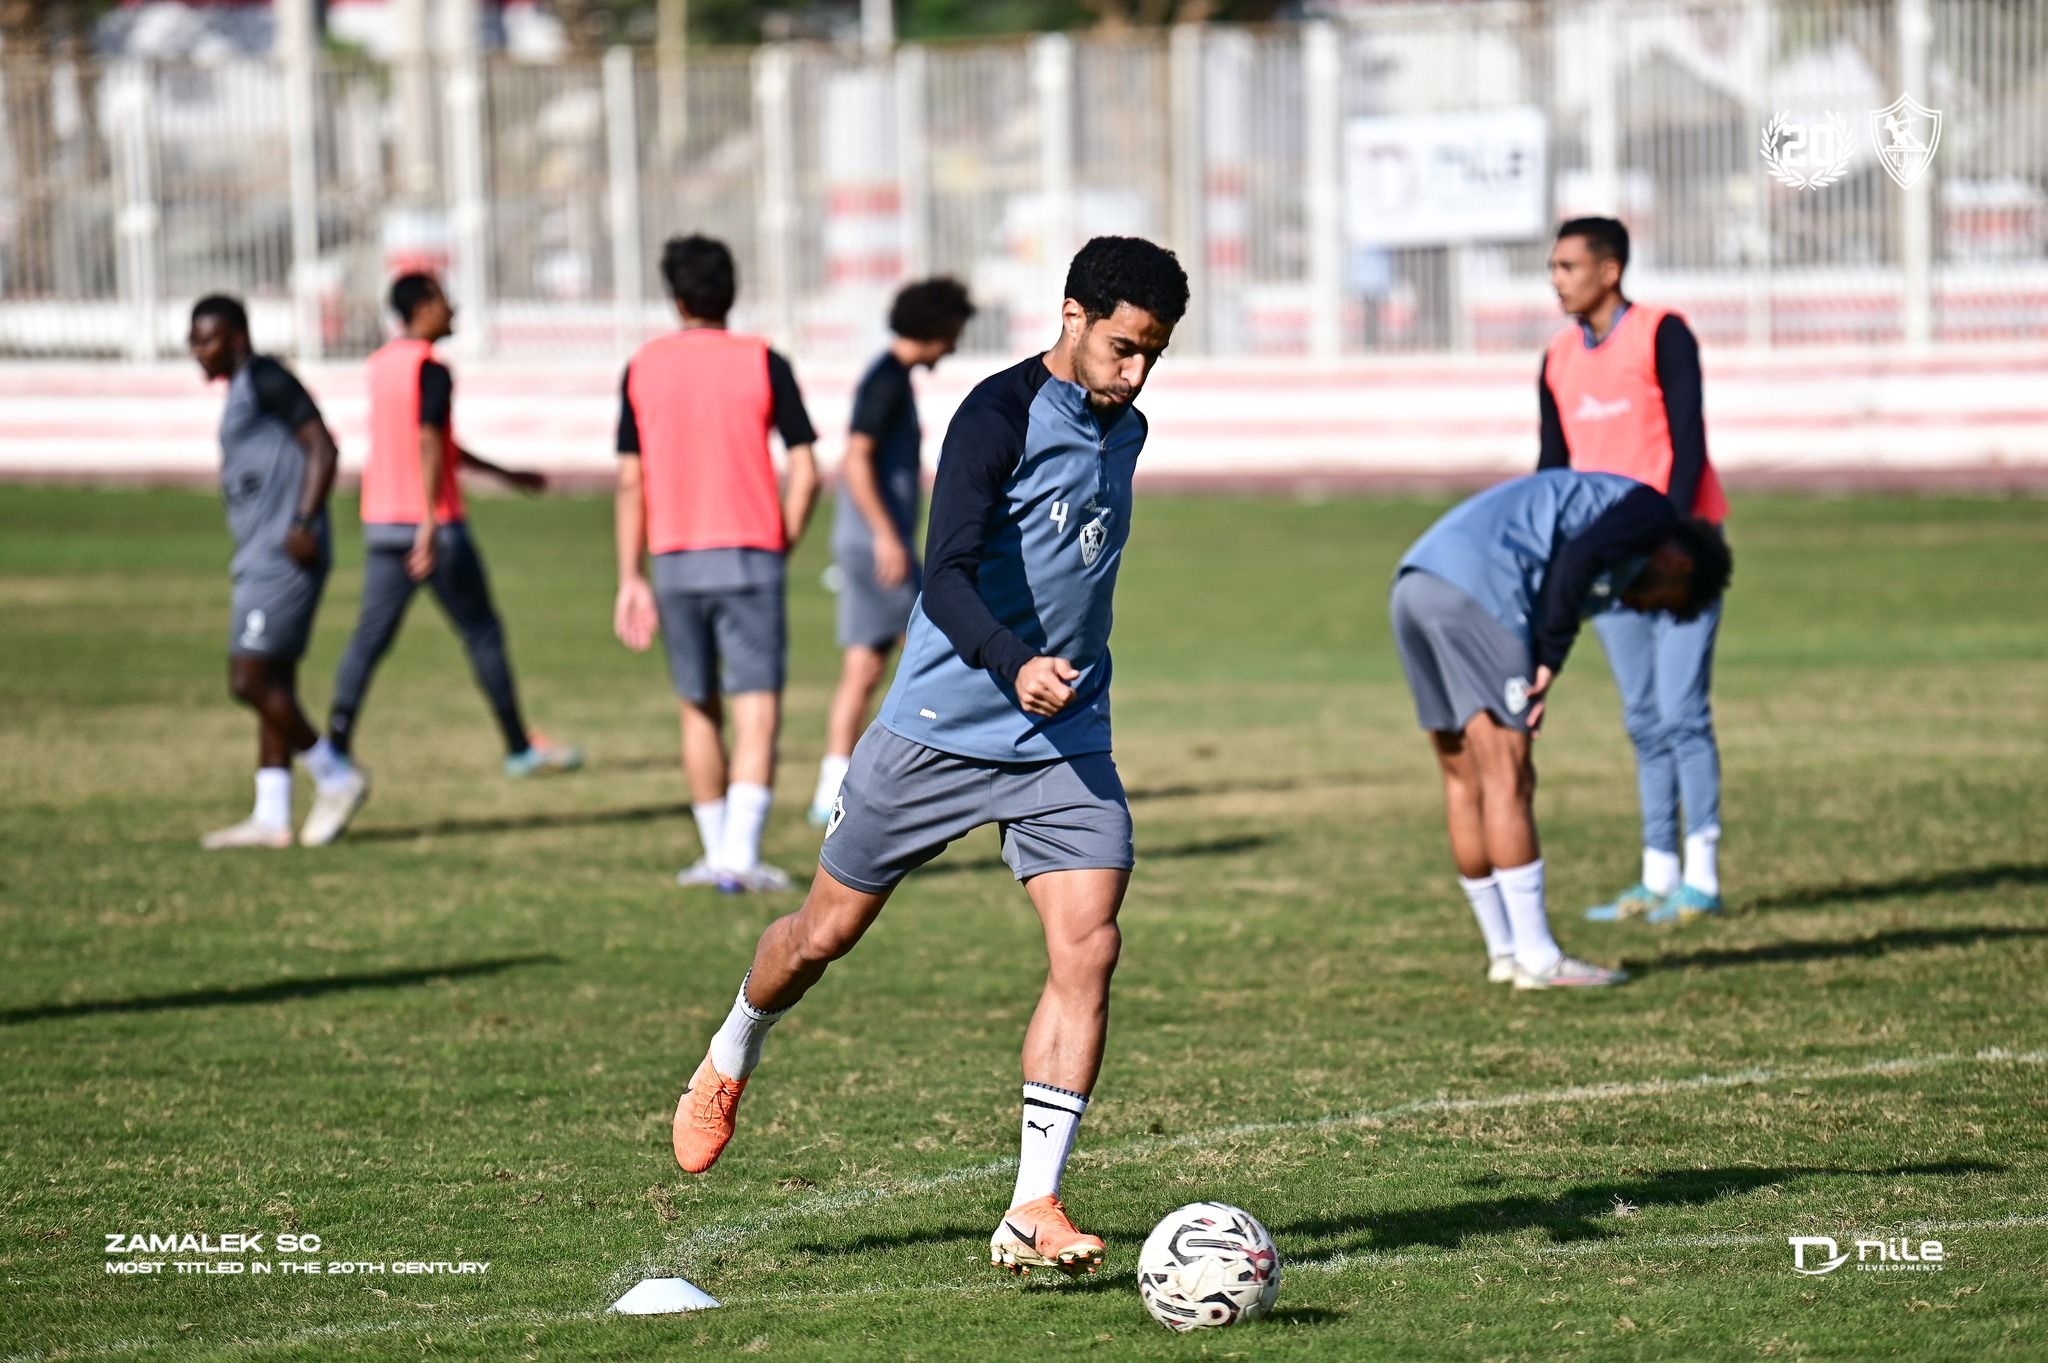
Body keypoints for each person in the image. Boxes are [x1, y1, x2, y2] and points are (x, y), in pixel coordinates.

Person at [667, 237, 1189, 1282]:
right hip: (941, 728)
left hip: (1064, 737)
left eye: (1153, 358)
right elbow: (942, 572)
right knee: (822, 933)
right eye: (1124, 348)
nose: (1134, 376)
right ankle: (733, 1044)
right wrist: (1011, 661)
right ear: (1072, 315)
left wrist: (1054, 678)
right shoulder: (995, 416)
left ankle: (1031, 1202)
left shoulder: (1122, 425)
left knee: (1088, 945)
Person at [1390, 471, 1732, 988]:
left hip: (1415, 583)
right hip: (1479, 591)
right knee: (1510, 778)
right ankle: (1540, 958)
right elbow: (1577, 560)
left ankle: (1504, 952)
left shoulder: (1600, 514)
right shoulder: (1653, 513)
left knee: (1464, 781)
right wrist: (1547, 659)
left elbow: (1568, 558)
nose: (1643, 608)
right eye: (1665, 602)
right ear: (1677, 562)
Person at [317, 274, 579, 844]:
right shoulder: (430, 368)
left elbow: (431, 441)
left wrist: (506, 475)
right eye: (443, 300)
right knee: (483, 632)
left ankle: (334, 745)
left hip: (382, 522)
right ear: (423, 308)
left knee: (369, 638)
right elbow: (429, 440)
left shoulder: (383, 365)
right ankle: (516, 746)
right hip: (431, 529)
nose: (453, 307)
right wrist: (431, 523)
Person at [613, 235, 821, 893]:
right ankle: (740, 852)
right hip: (751, 550)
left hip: (674, 554)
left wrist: (630, 577)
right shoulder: (764, 360)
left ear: (674, 297)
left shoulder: (642, 366)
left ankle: (713, 853)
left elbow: (629, 479)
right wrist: (780, 539)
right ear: (732, 292)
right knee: (757, 706)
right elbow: (807, 469)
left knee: (696, 704)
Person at [1540, 217, 1730, 924]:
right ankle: (1657, 873)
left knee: (1684, 711)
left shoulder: (1662, 333)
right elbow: (1552, 473)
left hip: (1677, 559)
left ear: (1609, 269)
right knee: (1645, 717)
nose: (1556, 279)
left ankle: (1703, 877)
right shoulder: (1557, 357)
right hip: (1607, 568)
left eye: (1567, 266)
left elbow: (1688, 442)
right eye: (1553, 267)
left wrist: (1669, 541)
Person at [188, 295, 366, 849]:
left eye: (208, 338)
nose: (199, 350)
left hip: (283, 557)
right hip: (260, 554)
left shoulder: (266, 378)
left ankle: (336, 775)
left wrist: (304, 521)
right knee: (276, 683)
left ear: (238, 337)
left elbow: (323, 446)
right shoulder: (243, 390)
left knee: (249, 680)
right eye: (193, 339)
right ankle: (271, 815)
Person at [806, 277, 977, 826]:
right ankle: (939, 776)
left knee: (867, 664)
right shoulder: (885, 380)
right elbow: (854, 458)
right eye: (954, 332)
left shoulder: (891, 377)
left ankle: (833, 787)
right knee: (940, 647)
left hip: (872, 543)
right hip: (876, 546)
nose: (954, 344)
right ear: (938, 327)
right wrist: (885, 533)